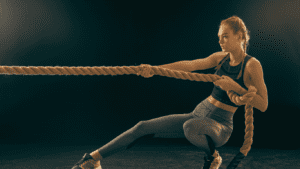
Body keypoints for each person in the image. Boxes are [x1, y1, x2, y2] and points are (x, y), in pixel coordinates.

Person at [71, 16, 268, 169]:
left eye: (225, 36)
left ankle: (213, 157)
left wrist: (234, 87)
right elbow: (190, 65)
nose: (221, 41)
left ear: (240, 36)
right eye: (219, 37)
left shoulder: (252, 65)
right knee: (142, 126)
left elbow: (263, 104)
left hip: (220, 125)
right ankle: (92, 159)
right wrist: (155, 69)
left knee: (191, 126)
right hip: (198, 113)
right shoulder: (220, 58)